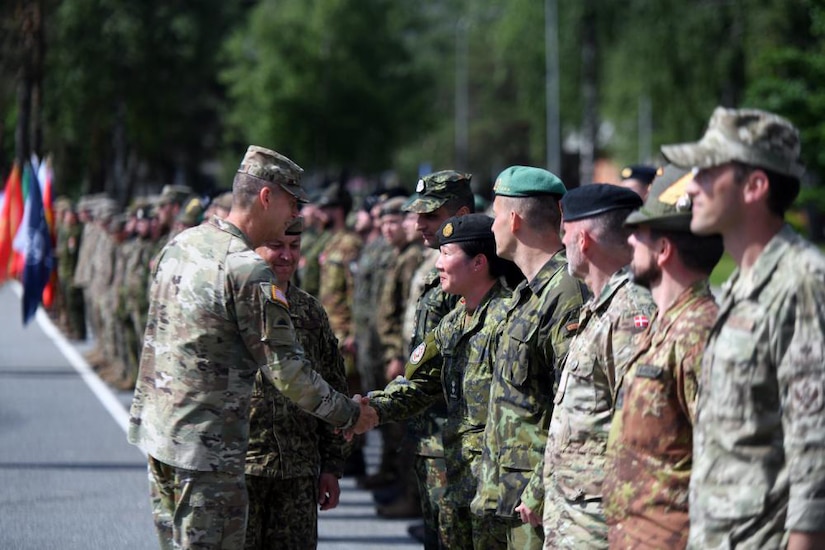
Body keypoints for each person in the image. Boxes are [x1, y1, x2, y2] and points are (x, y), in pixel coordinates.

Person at [127, 145, 376, 550]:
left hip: (161, 439)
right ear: (266, 197)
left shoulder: (181, 246)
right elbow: (290, 374)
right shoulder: (246, 268)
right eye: (292, 204)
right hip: (208, 454)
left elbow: (153, 339)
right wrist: (351, 414)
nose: (295, 217)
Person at [664, 107, 825, 549]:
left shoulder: (802, 283)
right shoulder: (739, 286)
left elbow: (815, 450)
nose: (692, 184)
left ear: (755, 186)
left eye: (708, 171)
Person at [366, 213, 521, 549]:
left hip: (493, 487)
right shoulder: (455, 320)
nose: (438, 264)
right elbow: (421, 382)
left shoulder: (509, 321)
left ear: (479, 263)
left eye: (446, 254)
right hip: (457, 476)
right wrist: (372, 410)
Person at [601, 165, 723, 549]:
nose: (630, 241)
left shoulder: (699, 334)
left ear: (665, 250)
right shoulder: (663, 326)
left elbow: (727, 466)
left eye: (639, 232)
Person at [473, 166, 589, 549]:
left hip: (533, 503)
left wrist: (539, 489)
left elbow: (573, 401)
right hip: (504, 492)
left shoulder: (565, 292)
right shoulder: (530, 292)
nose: (490, 228)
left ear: (514, 219)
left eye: (494, 217)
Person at [542, 183, 655, 549]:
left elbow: (644, 430)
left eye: (566, 233)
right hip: (574, 518)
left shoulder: (630, 311)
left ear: (584, 240)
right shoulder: (600, 307)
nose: (563, 244)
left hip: (600, 525)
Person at [246, 217, 350, 549]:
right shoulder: (234, 308)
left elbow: (333, 385)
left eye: (294, 247)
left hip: (297, 474)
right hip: (240, 469)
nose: (287, 256)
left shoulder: (310, 313)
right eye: (276, 246)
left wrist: (332, 466)